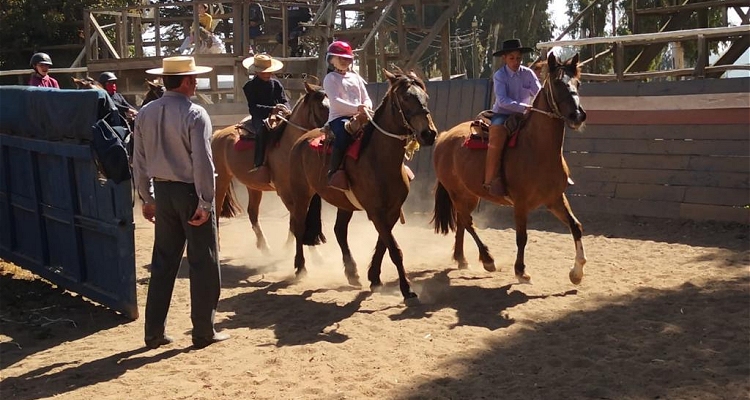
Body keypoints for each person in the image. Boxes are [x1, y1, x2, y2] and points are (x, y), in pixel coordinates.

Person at [133, 56, 230, 350]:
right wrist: (206, 202)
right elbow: (202, 161)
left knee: (163, 262)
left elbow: (138, 160)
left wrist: (146, 197)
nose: (196, 82)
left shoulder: (145, 113)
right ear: (186, 81)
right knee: (204, 261)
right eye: (194, 78)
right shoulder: (195, 114)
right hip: (190, 193)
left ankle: (154, 333)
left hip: (162, 194)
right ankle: (203, 331)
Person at [484, 38, 542, 197]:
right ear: (504, 59)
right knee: (496, 137)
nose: (516, 62)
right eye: (512, 58)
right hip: (502, 114)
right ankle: (492, 179)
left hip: (526, 114)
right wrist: (525, 107)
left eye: (518, 58)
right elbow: (502, 101)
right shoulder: (499, 76)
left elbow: (539, 92)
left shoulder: (528, 73)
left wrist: (539, 105)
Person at [322, 40, 372, 191]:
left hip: (362, 115)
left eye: (347, 59)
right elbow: (336, 102)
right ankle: (334, 171)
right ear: (332, 60)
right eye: (340, 58)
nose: (344, 61)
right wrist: (358, 108)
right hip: (339, 118)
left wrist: (367, 107)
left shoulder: (356, 78)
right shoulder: (330, 79)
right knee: (344, 134)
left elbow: (366, 97)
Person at [241, 54, 290, 184]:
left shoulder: (276, 84)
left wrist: (285, 108)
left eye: (269, 71)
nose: (267, 74)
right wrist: (271, 109)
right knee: (262, 130)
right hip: (260, 116)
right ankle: (259, 164)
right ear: (257, 72)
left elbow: (284, 100)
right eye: (264, 72)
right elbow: (254, 107)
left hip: (279, 114)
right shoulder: (249, 86)